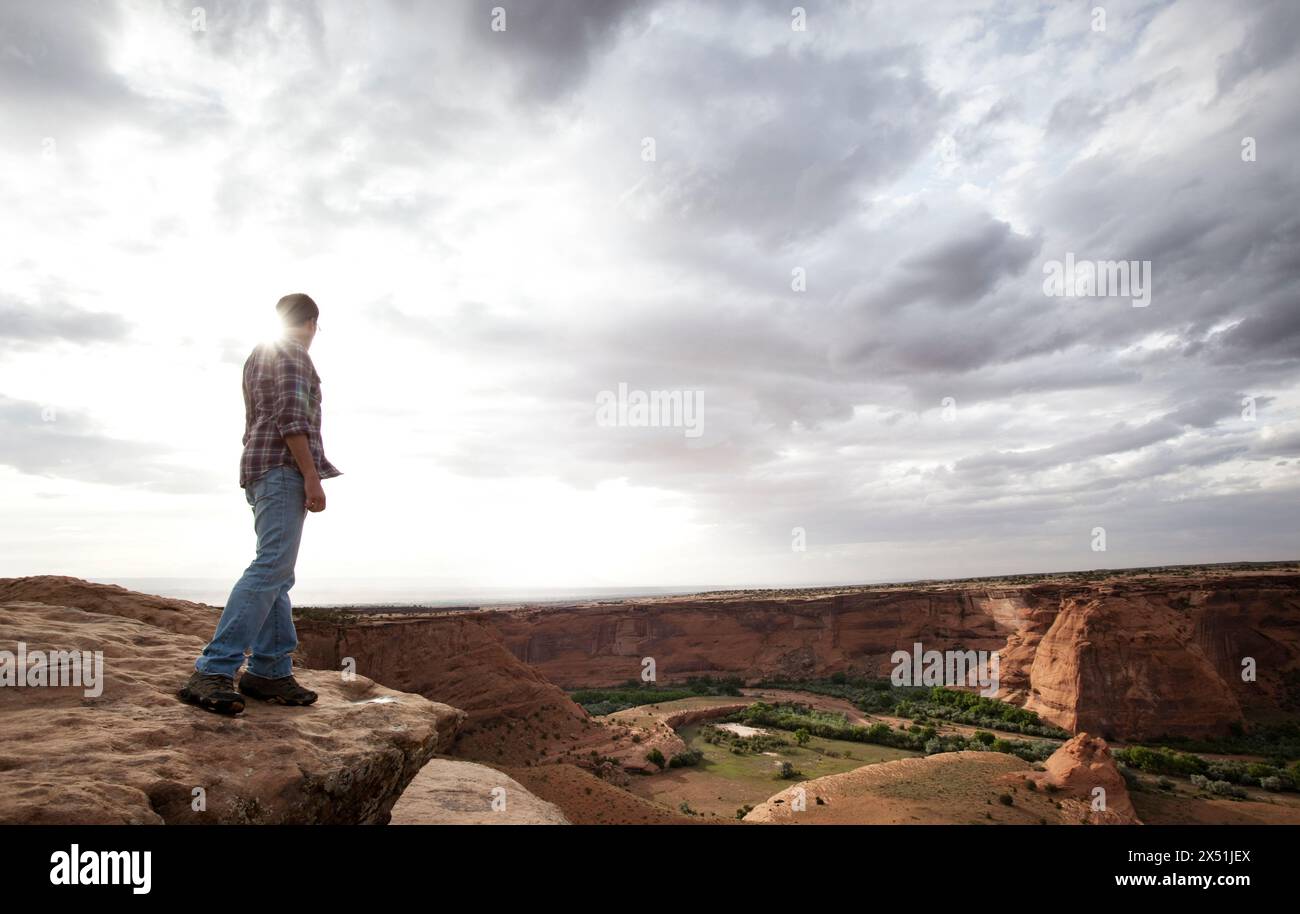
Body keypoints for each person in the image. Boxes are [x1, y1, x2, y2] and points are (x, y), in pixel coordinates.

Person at [178, 293, 341, 714]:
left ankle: (269, 671)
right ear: (311, 323)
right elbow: (292, 418)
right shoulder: (292, 353)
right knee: (271, 568)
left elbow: (261, 418)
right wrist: (310, 476)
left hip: (260, 469)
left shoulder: (258, 356)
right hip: (282, 470)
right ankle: (214, 668)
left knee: (277, 573)